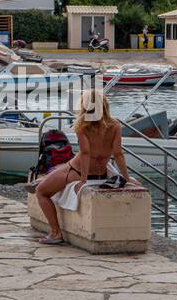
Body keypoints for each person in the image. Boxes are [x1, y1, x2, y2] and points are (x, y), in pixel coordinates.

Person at [31, 89, 131, 245]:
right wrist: (127, 178)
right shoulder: (115, 125)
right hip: (101, 171)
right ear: (104, 105)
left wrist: (83, 180)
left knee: (41, 191)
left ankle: (55, 233)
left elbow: (85, 153)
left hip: (76, 171)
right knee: (54, 174)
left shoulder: (82, 125)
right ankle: (45, 179)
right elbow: (118, 154)